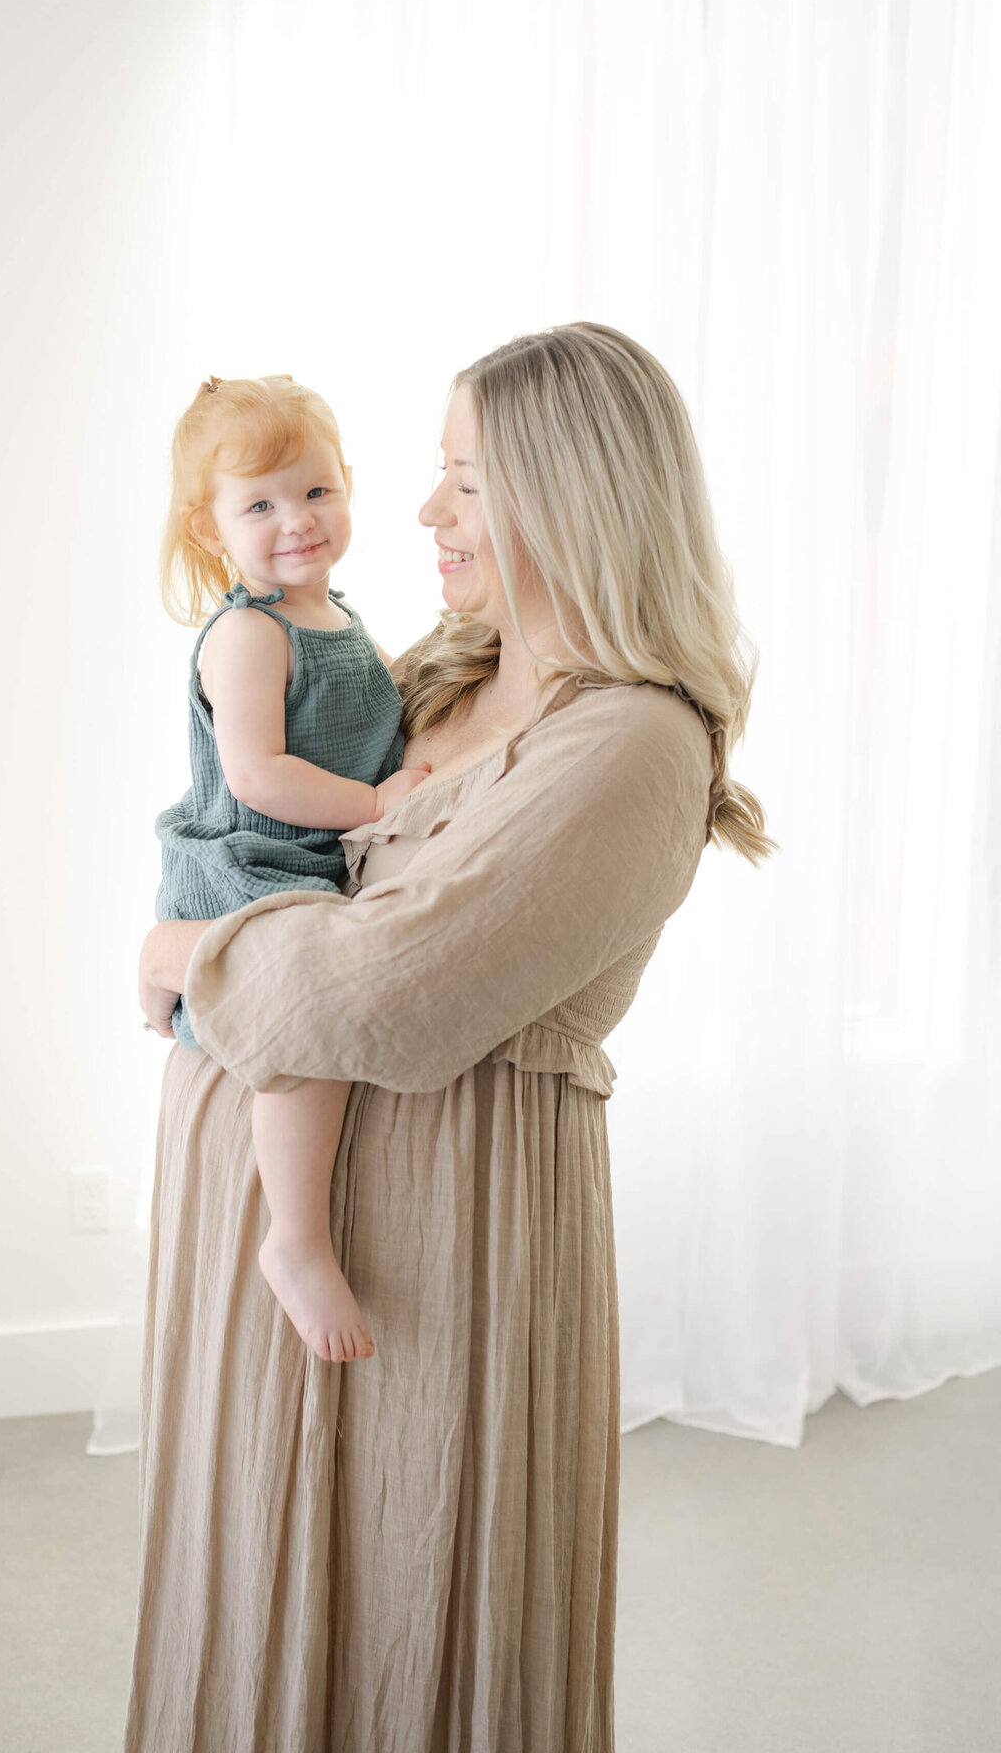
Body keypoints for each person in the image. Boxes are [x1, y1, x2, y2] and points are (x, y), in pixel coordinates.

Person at [128, 323, 775, 1753]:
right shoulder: (431, 675)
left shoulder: (627, 744)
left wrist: (184, 952)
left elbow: (377, 995)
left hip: (446, 1238)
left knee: (413, 1601)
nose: (420, 513)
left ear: (571, 495)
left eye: (464, 480)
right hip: (268, 1205)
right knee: (251, 1594)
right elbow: (265, 827)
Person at [152, 373, 431, 1362]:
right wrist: (374, 805)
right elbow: (259, 773)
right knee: (305, 1010)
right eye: (259, 504)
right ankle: (297, 1240)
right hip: (250, 861)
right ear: (209, 529)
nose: (296, 520)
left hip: (312, 858)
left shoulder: (345, 620)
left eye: (316, 490)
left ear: (348, 486)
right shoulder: (245, 634)